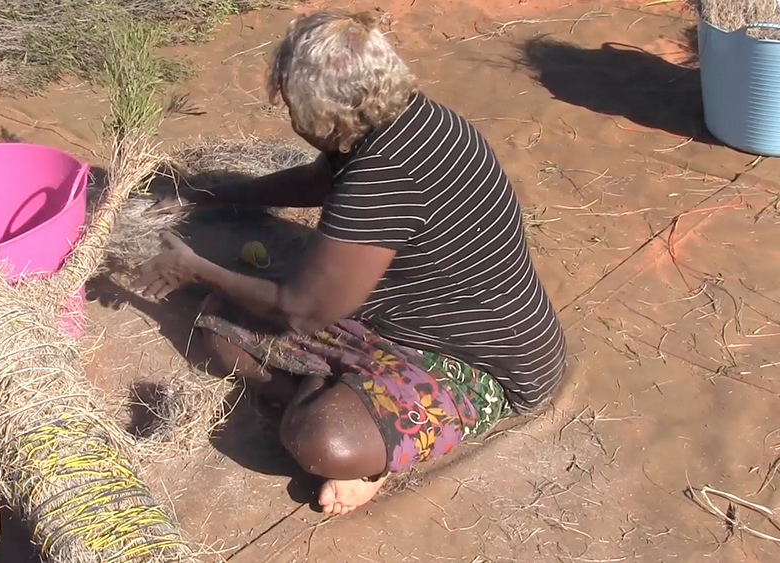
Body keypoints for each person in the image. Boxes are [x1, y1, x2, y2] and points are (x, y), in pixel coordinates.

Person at [136, 10, 567, 516]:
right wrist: (209, 194)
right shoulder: (406, 118)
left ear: (324, 117)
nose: (293, 122)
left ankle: (372, 454)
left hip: (483, 363)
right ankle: (343, 396)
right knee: (221, 323)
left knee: (320, 440)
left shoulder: (381, 178)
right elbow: (316, 182)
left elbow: (300, 311)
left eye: (295, 109)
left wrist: (196, 267)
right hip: (399, 317)